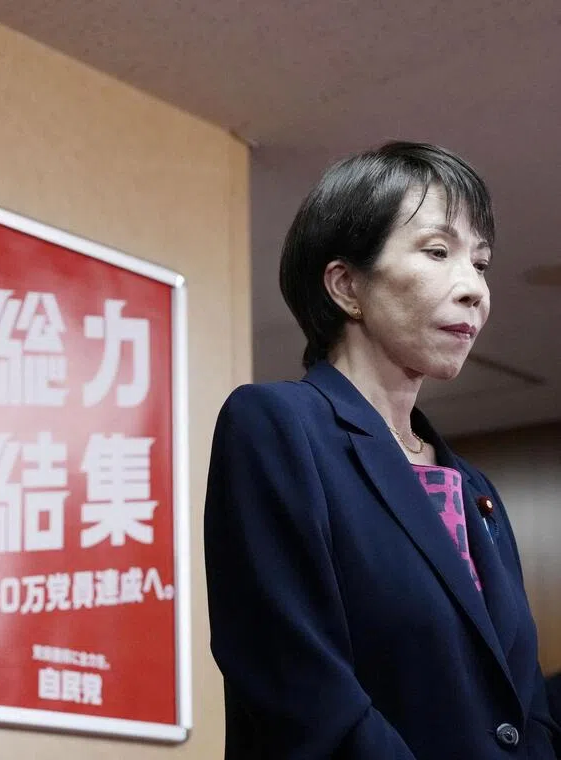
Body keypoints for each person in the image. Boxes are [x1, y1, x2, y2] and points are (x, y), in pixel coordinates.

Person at [204, 141, 560, 759]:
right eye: (438, 251)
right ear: (346, 285)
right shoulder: (278, 426)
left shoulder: (475, 490)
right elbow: (299, 689)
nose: (475, 288)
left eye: (480, 263)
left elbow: (525, 707)